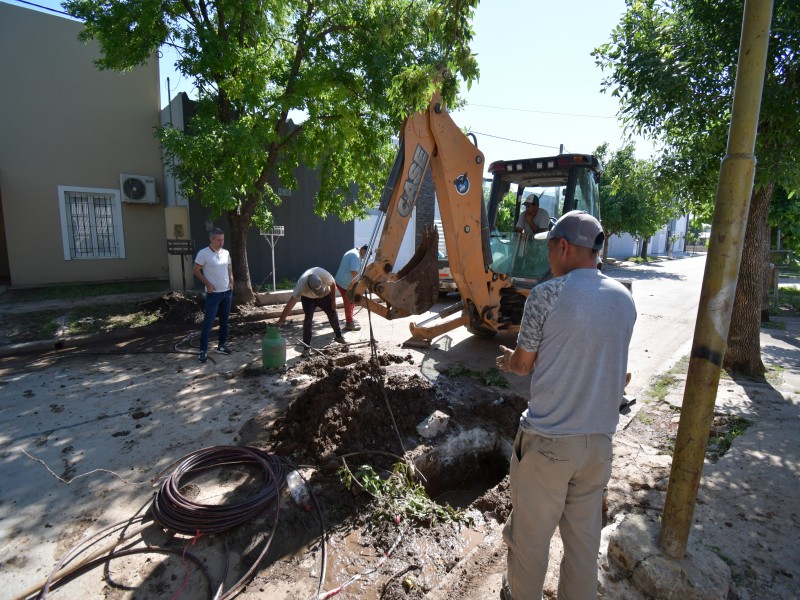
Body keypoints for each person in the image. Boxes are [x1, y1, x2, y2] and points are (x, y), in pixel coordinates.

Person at [496, 210, 636, 600]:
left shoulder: (546, 294)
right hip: (597, 446)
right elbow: (614, 368)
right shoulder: (624, 300)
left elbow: (524, 365)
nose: (547, 260)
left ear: (563, 246)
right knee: (582, 544)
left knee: (530, 541)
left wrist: (509, 359)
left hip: (549, 444)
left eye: (549, 250)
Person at [276, 267, 346, 357]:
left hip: (325, 296)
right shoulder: (301, 285)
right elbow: (290, 304)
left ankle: (338, 336)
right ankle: (306, 347)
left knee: (332, 313)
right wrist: (281, 321)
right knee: (308, 320)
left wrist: (333, 300)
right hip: (308, 299)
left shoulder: (323, 274)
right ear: (309, 287)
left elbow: (332, 284)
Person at [193, 227, 234, 363]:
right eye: (218, 240)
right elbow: (196, 270)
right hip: (213, 295)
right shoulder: (203, 253)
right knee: (208, 323)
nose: (221, 242)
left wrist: (231, 280)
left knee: (224, 321)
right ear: (211, 239)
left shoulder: (226, 252)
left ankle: (221, 346)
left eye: (222, 239)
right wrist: (208, 284)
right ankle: (202, 350)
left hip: (226, 293)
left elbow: (228, 267)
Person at [335, 244, 368, 331]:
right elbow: (354, 272)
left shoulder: (355, 253)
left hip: (344, 282)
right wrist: (362, 282)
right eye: (366, 255)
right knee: (349, 301)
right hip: (344, 283)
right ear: (363, 250)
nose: (365, 257)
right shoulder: (355, 256)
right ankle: (349, 323)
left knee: (351, 301)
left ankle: (350, 320)